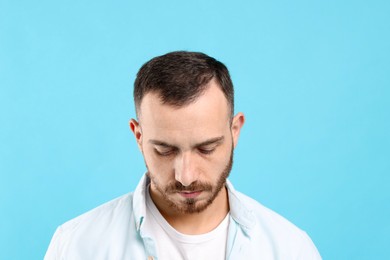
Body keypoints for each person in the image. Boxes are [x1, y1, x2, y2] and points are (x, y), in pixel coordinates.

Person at [45, 51, 321, 259]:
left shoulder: (291, 248)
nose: (186, 177)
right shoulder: (76, 245)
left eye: (206, 148)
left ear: (235, 130)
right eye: (165, 150)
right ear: (138, 136)